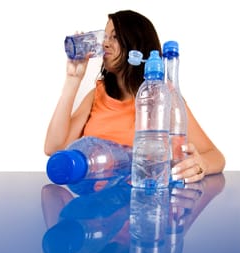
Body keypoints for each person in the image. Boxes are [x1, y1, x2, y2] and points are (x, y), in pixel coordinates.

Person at [44, 9, 225, 184]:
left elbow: (215, 155)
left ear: (136, 45)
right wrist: (73, 79)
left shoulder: (163, 96)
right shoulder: (98, 94)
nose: (105, 44)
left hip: (145, 202)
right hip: (96, 206)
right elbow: (54, 149)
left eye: (114, 37)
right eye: (105, 37)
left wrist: (201, 165)